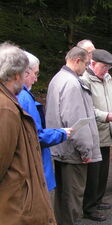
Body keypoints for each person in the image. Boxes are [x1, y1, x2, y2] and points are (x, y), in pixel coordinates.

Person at [0, 42, 56, 225]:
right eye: (26, 73)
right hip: (17, 206)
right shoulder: (6, 108)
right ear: (16, 74)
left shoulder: (9, 102)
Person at [45, 46, 101, 225]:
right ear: (77, 60)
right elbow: (76, 121)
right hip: (72, 151)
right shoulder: (72, 83)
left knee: (63, 195)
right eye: (85, 63)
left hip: (60, 147)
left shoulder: (57, 78)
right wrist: (86, 152)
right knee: (73, 196)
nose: (86, 67)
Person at [80, 49, 112, 221]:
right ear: (92, 64)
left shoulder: (107, 78)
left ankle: (98, 200)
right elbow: (87, 109)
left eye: (109, 68)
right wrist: (107, 116)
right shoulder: (84, 80)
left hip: (106, 133)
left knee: (103, 172)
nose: (107, 71)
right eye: (104, 67)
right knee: (92, 174)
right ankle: (89, 208)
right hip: (93, 134)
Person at [17, 51, 72, 192]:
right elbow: (35, 135)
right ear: (25, 73)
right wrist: (62, 133)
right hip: (32, 165)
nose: (36, 79)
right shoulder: (24, 97)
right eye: (36, 73)